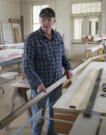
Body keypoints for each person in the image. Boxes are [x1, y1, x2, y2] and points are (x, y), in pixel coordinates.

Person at [23, 7, 73, 135]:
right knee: (38, 118)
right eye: (43, 19)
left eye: (49, 19)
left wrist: (68, 67)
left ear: (54, 20)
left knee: (54, 116)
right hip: (40, 86)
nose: (46, 22)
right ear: (39, 21)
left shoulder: (58, 37)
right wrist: (36, 83)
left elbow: (62, 56)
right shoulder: (32, 39)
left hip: (57, 83)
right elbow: (27, 65)